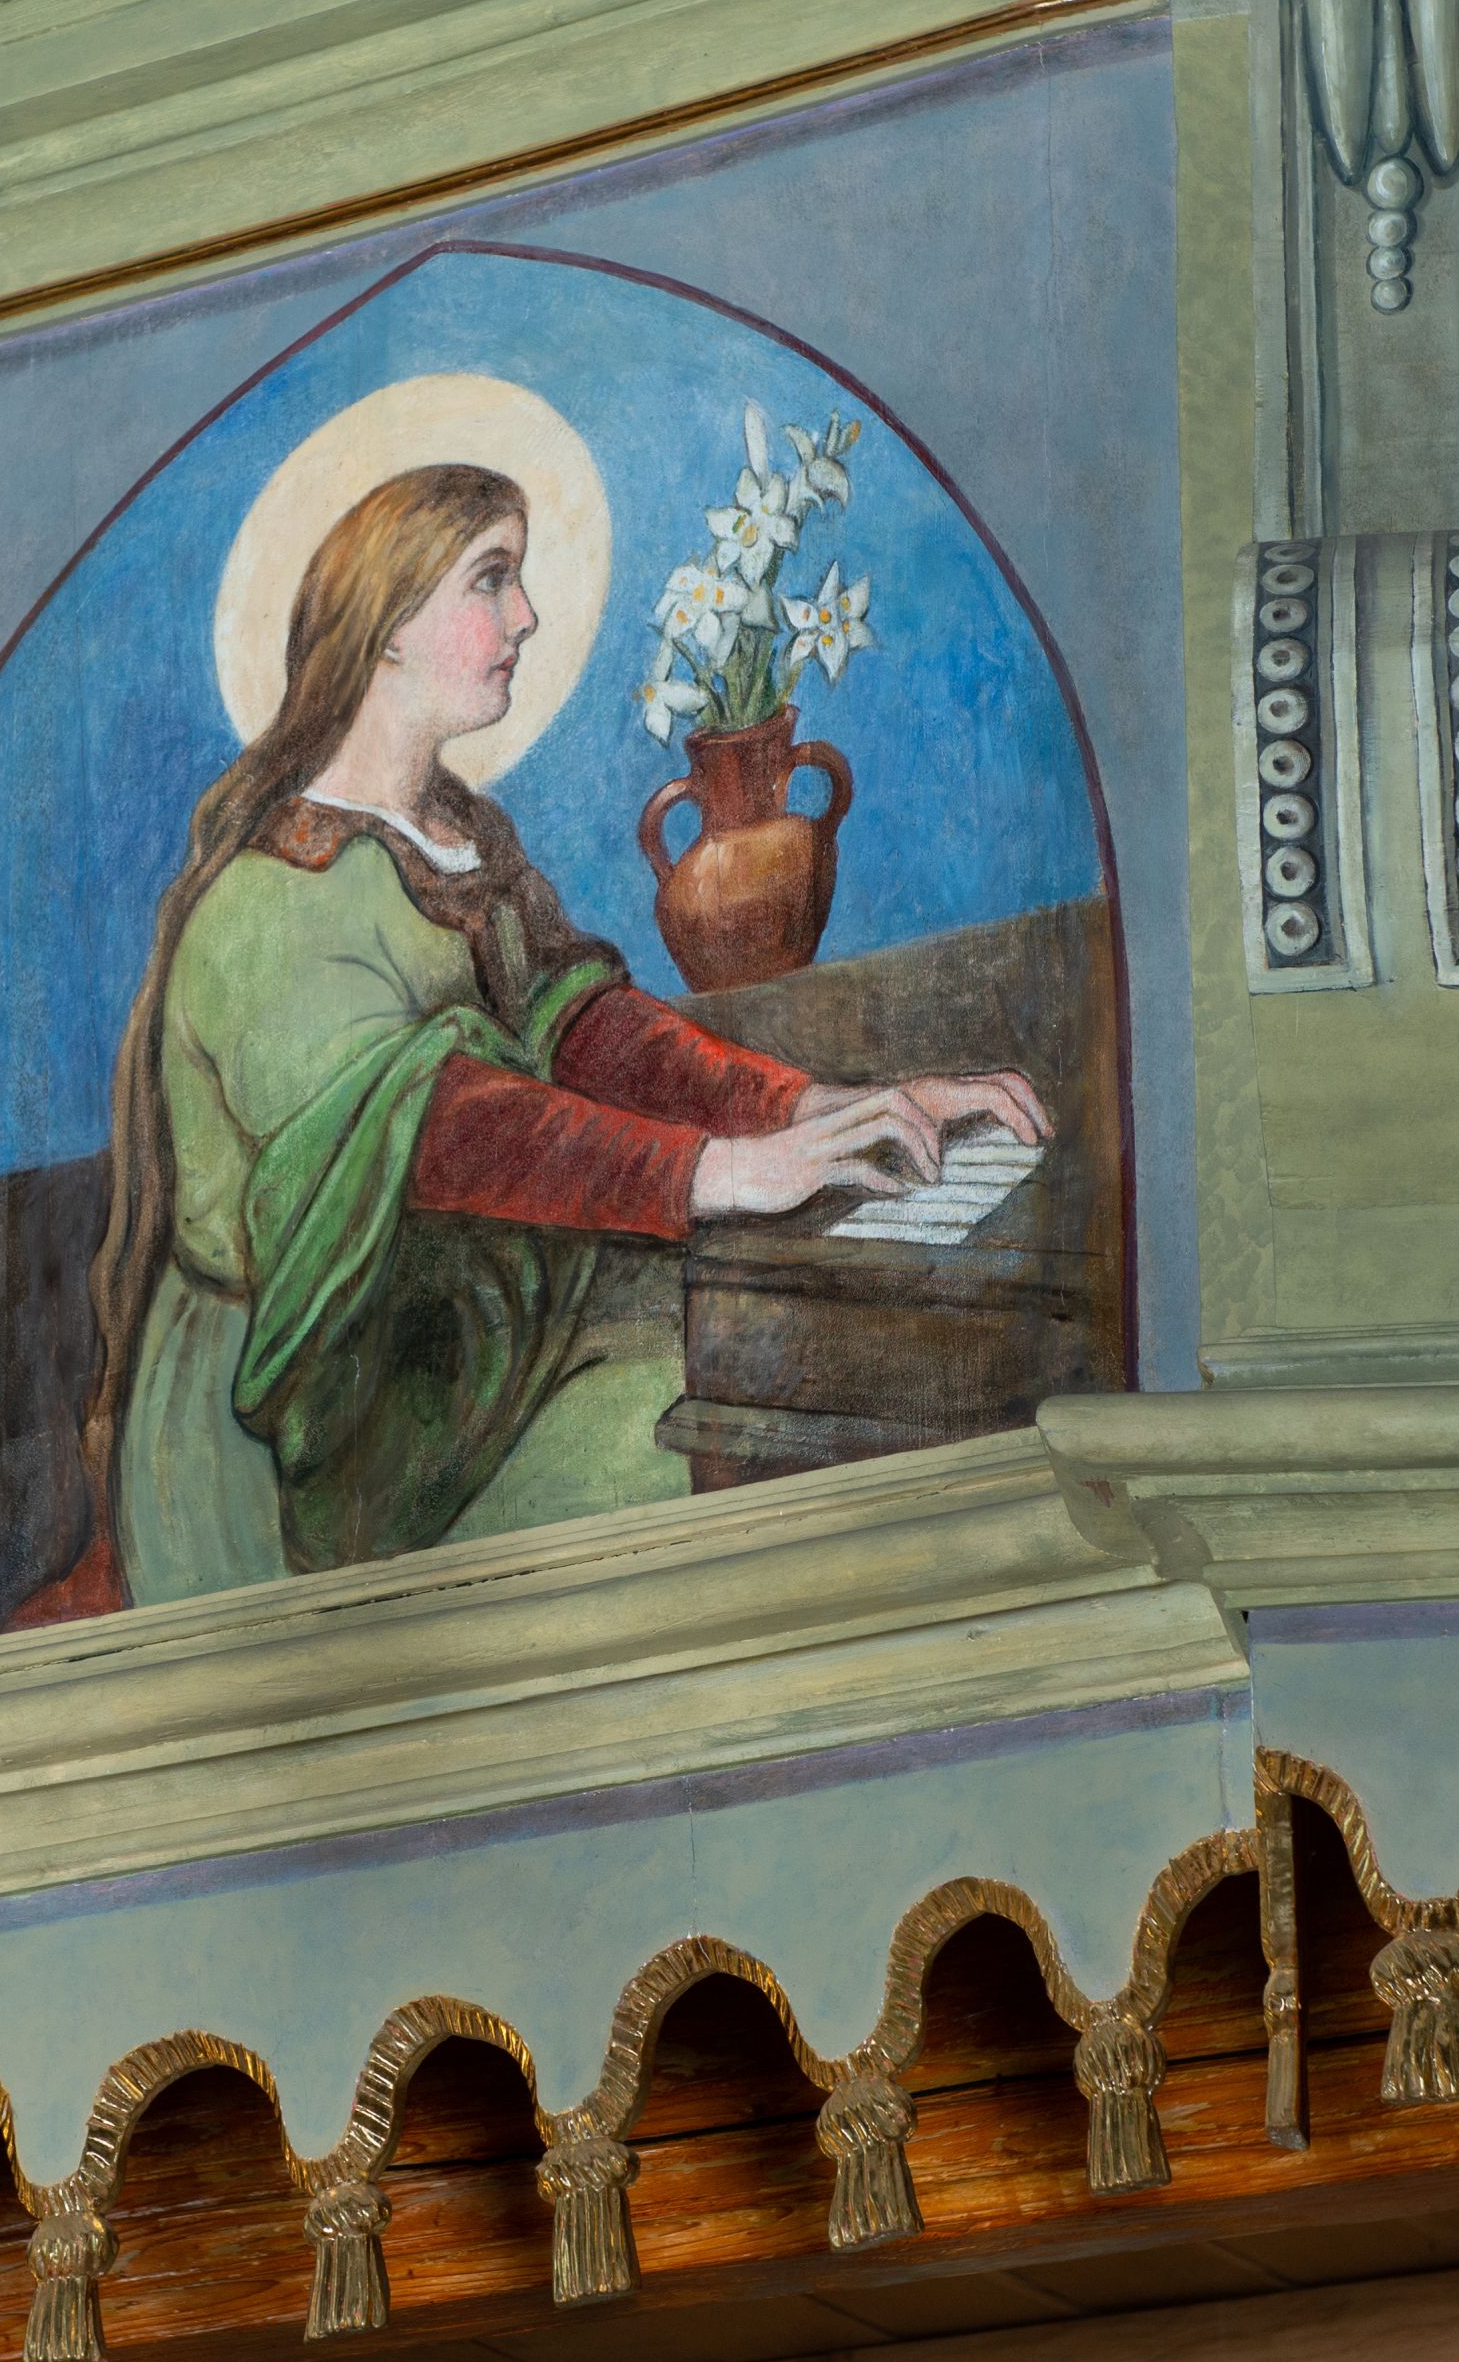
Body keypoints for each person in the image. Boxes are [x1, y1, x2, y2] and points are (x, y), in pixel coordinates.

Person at [86, 461, 1044, 1602]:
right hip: (315, 1436)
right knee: (724, 1440)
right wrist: (730, 1171)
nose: (526, 617)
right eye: (490, 579)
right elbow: (444, 1127)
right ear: (387, 627)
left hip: (468, 1343)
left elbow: (589, 1033)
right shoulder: (274, 899)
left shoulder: (460, 839)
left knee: (760, 1389)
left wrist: (812, 1108)